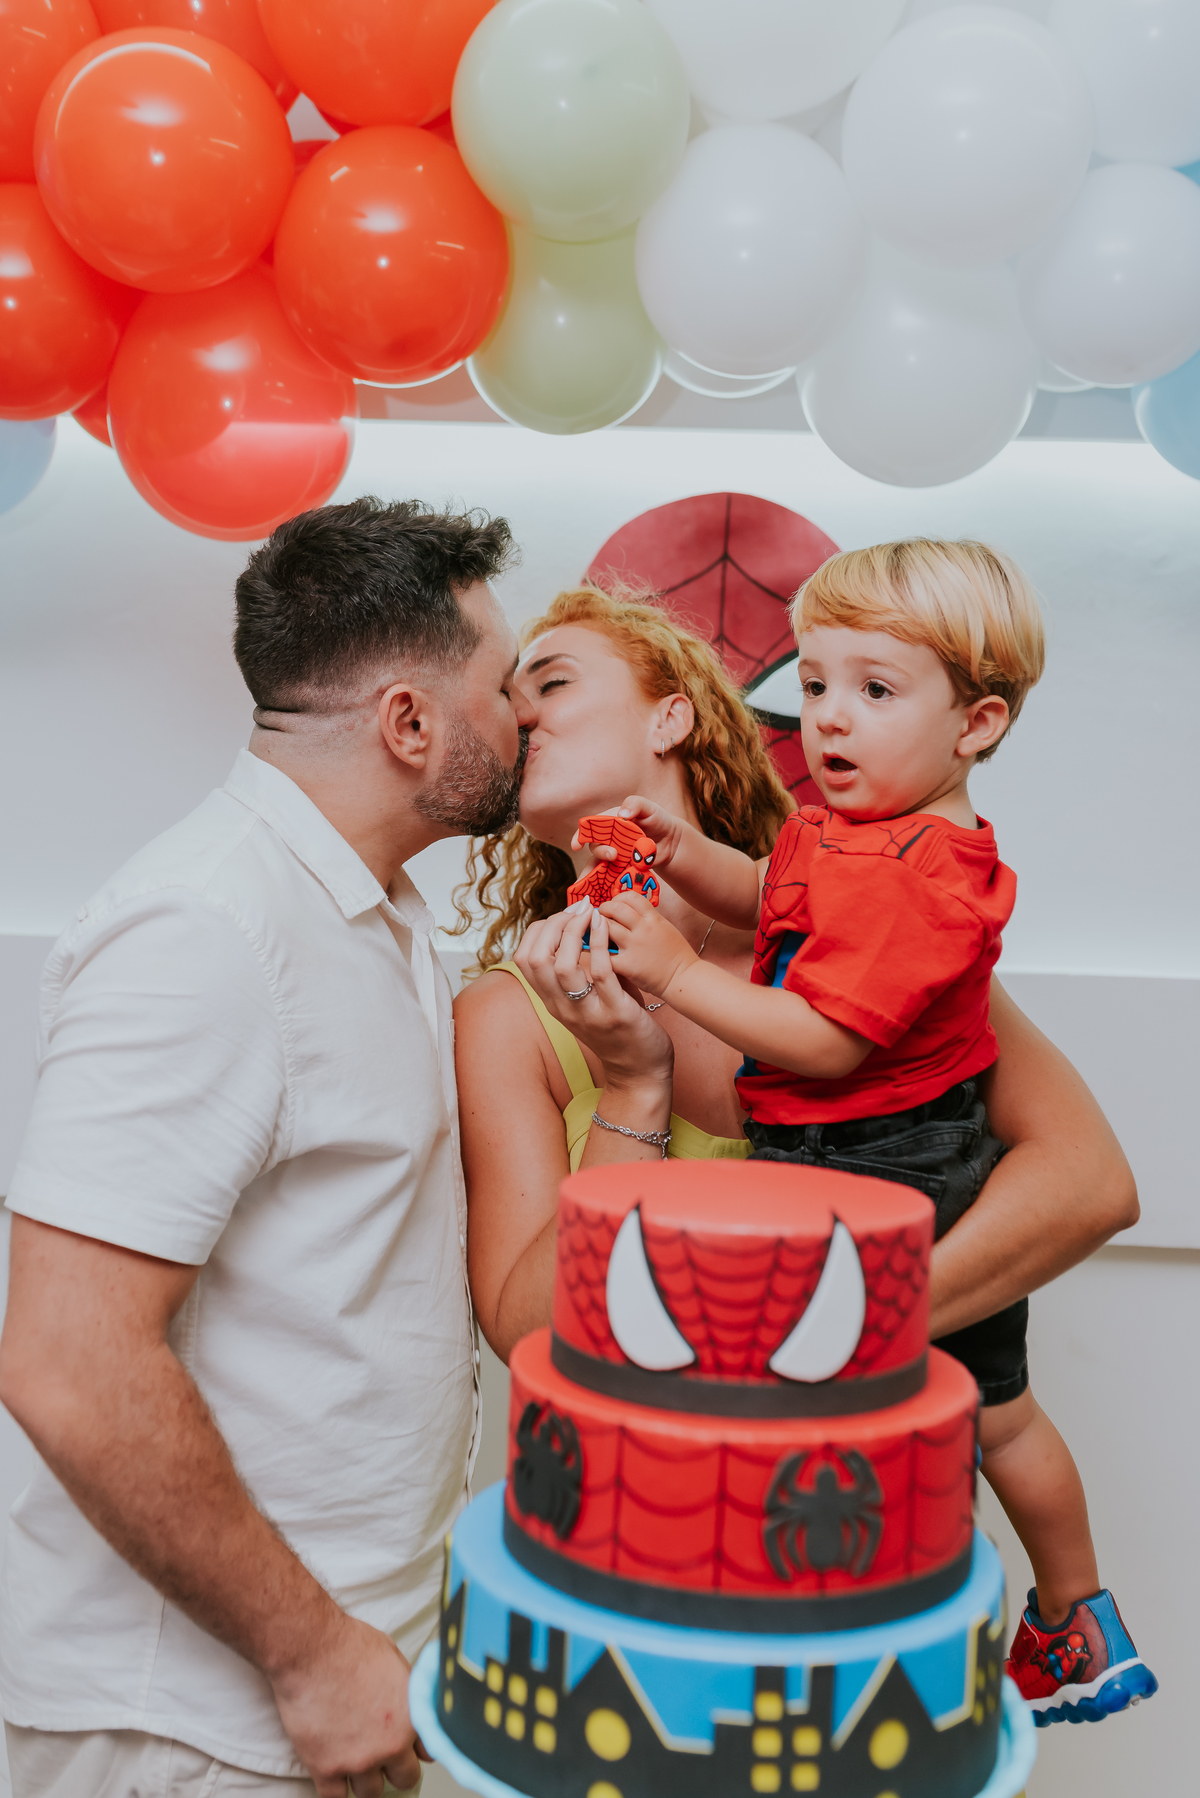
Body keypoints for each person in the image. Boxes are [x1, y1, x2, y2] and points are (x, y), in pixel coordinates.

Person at [454, 579, 1141, 1672]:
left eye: (550, 679)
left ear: (674, 712)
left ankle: (1076, 1616)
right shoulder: (511, 1013)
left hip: (862, 1536)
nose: (517, 710)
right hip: (658, 1561)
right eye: (505, 696)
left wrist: (852, 1341)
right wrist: (632, 1091)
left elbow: (1093, 1183)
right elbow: (529, 1333)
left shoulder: (865, 926)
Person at [0, 498, 535, 1798]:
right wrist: (312, 1657)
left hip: (335, 1679)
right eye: (507, 684)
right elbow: (68, 1363)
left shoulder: (382, 912)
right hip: (191, 1720)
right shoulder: (207, 926)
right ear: (412, 722)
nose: (528, 714)